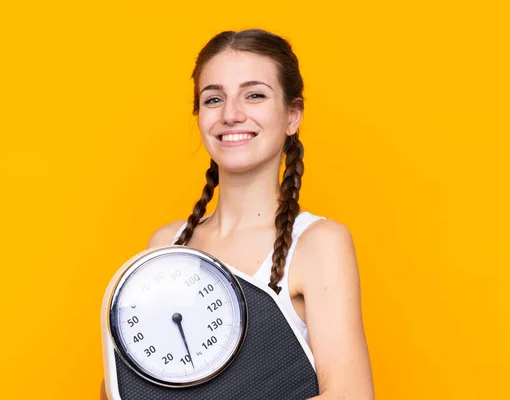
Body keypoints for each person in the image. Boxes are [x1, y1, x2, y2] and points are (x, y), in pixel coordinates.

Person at [101, 28, 374, 400]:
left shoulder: (318, 244)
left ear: (293, 116)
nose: (231, 114)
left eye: (255, 95)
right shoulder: (168, 244)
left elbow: (350, 395)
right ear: (199, 115)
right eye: (213, 99)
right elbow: (129, 383)